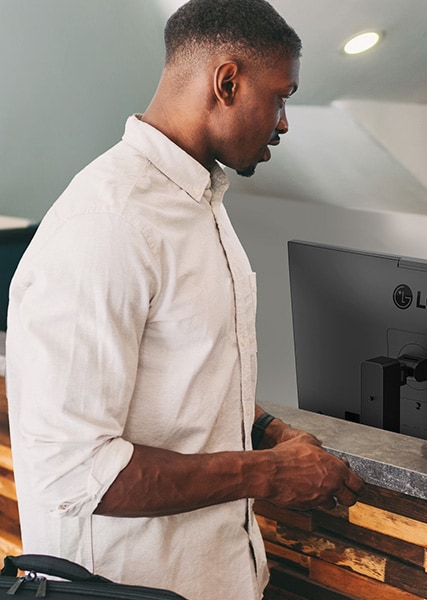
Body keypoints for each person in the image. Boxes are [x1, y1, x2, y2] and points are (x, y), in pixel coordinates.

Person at [5, 1, 365, 599]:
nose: (284, 123)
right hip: (128, 587)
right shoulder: (107, 221)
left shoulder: (200, 203)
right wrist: (269, 475)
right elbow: (74, 472)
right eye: (281, 97)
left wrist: (272, 432)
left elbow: (189, 377)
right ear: (227, 82)